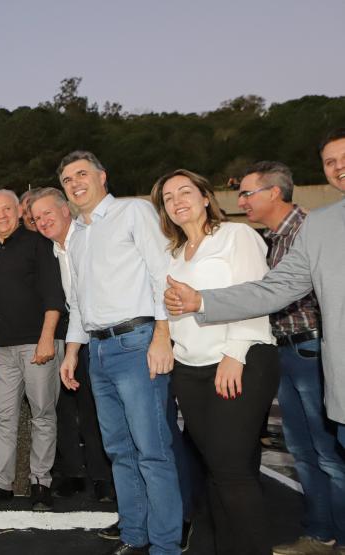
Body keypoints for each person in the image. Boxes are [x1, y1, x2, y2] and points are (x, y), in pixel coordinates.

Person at [164, 128, 345, 453]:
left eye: (248, 193)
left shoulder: (245, 235)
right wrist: (202, 300)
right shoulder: (320, 225)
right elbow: (273, 289)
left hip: (304, 347)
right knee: (308, 454)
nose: (338, 166)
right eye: (330, 161)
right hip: (296, 353)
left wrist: (234, 352)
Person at [57, 151, 182, 555]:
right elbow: (78, 302)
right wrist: (72, 352)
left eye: (82, 174)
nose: (75, 183)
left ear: (102, 176)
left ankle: (165, 545)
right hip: (98, 349)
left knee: (152, 451)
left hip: (137, 342)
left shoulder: (133, 212)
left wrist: (162, 335)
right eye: (67, 180)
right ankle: (134, 534)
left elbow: (162, 274)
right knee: (119, 451)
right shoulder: (77, 235)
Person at [152, 169, 279, 555]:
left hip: (239, 360)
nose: (177, 201)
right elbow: (172, 311)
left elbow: (256, 296)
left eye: (185, 192)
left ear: (206, 197)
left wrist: (234, 353)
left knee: (230, 470)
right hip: (190, 370)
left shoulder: (236, 236)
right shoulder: (172, 254)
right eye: (168, 198)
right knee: (219, 469)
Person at [236, 161, 345, 555]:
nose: (241, 201)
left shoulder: (310, 229)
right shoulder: (273, 238)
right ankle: (320, 533)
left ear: (274, 192)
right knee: (302, 452)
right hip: (285, 350)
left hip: (313, 352)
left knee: (329, 454)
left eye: (247, 193)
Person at [0, 189, 66, 512]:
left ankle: (41, 483)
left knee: (42, 414)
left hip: (38, 344)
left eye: (7, 209)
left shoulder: (39, 244)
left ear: (19, 212)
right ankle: (0, 483)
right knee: (3, 415)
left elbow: (54, 295)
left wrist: (47, 338)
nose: (2, 215)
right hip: (3, 349)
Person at [28, 187, 115, 503]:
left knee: (94, 407)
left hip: (97, 334)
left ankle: (102, 477)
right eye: (36, 218)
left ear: (66, 210)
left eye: (47, 213)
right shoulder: (46, 249)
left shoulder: (89, 237)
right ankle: (75, 474)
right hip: (64, 333)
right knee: (63, 406)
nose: (42, 221)